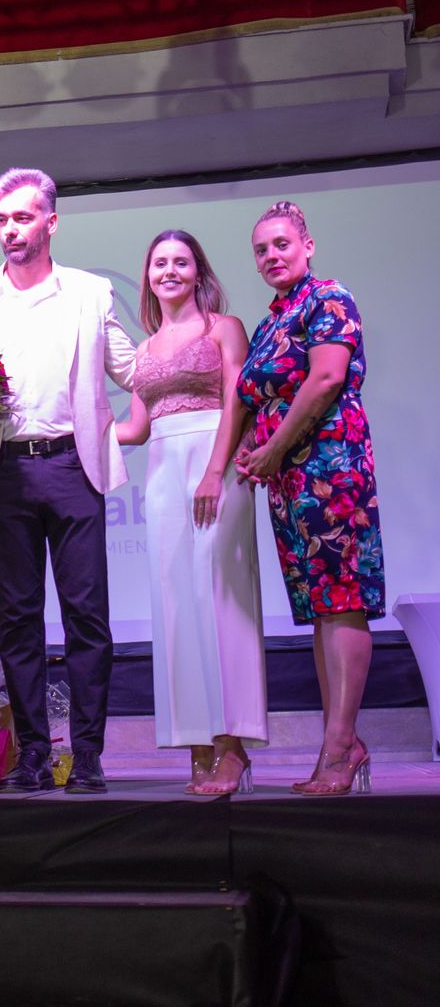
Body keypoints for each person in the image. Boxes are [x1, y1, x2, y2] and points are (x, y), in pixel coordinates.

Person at [0, 168, 136, 794]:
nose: (10, 230)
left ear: (51, 221)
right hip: (4, 469)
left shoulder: (89, 292)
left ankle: (87, 756)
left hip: (72, 466)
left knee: (87, 618)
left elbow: (133, 369)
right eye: (2, 218)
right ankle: (31, 756)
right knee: (17, 620)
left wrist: (200, 349)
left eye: (23, 217)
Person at [236, 200, 384, 796]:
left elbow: (325, 379)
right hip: (288, 479)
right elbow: (256, 395)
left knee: (342, 599)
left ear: (307, 245)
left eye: (281, 244)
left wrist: (273, 450)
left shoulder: (329, 297)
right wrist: (257, 448)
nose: (272, 256)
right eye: (261, 250)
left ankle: (340, 747)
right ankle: (341, 741)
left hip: (330, 467)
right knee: (321, 605)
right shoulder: (273, 319)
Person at [113, 231, 267, 795]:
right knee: (175, 600)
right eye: (159, 263)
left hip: (214, 461)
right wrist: (72, 425)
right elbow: (134, 427)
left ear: (198, 271)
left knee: (221, 599)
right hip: (161, 472)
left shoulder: (224, 327)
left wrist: (212, 470)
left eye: (181, 262)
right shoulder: (146, 347)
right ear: (148, 274)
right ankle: (199, 741)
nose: (169, 271)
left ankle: (234, 745)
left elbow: (238, 399)